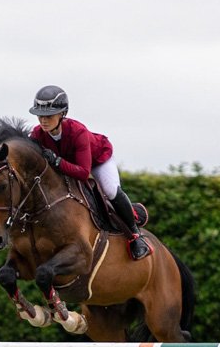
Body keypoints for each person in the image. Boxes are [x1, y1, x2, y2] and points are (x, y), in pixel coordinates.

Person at [28, 85, 153, 260]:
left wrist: (57, 161)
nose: (43, 121)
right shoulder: (37, 134)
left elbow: (83, 172)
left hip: (97, 160)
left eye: (48, 116)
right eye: (40, 116)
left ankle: (135, 236)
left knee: (110, 190)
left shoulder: (78, 131)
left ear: (62, 114)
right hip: (70, 164)